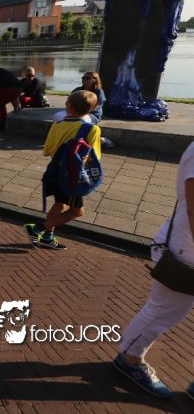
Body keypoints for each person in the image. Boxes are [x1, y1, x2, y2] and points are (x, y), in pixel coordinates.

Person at [113, 139, 194, 400]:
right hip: (183, 251)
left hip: (185, 246)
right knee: (164, 311)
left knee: (166, 310)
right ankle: (130, 358)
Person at [23, 90, 101, 250]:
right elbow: (95, 155)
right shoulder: (92, 129)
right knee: (77, 212)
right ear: (93, 109)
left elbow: (47, 150)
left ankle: (47, 237)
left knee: (60, 204)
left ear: (68, 106)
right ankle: (37, 228)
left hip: (56, 171)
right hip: (73, 176)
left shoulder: (57, 125)